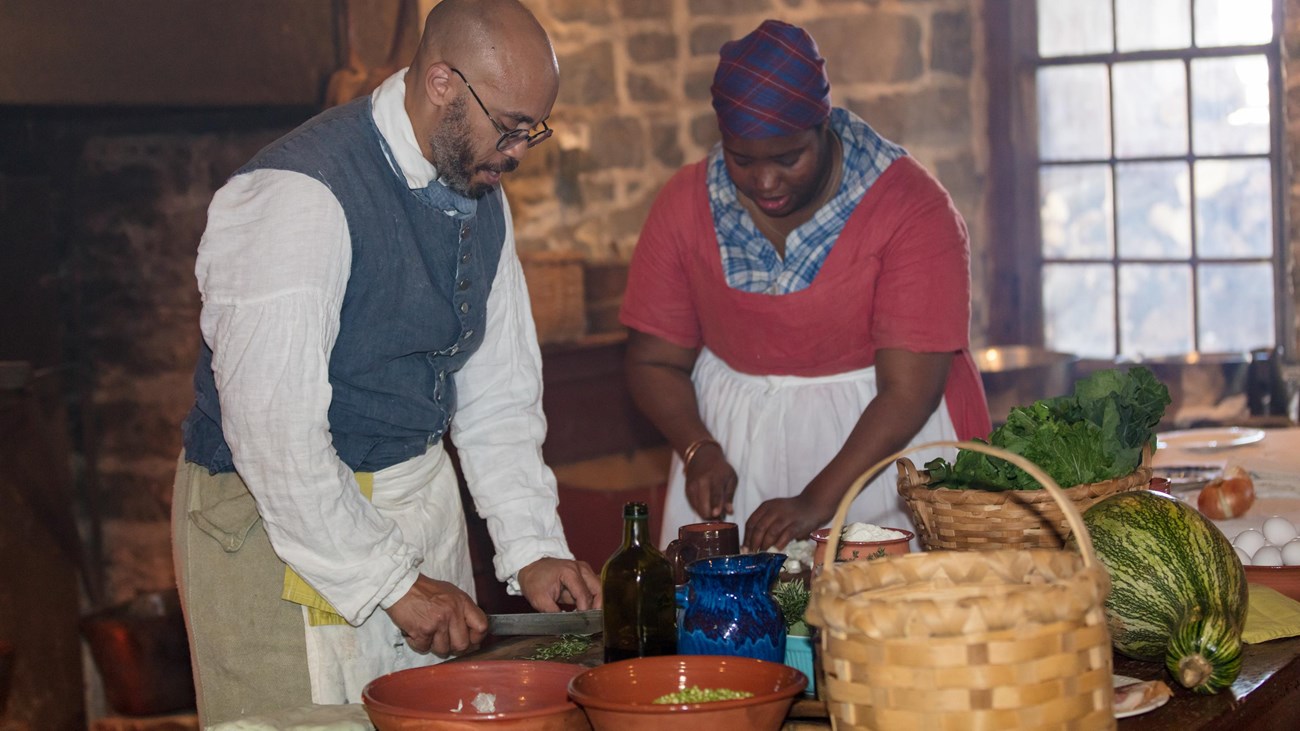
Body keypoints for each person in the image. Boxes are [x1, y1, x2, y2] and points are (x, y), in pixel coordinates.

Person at [171, 0, 600, 723]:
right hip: (278, 529)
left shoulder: (479, 182)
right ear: (441, 83)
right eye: (511, 126)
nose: (521, 150)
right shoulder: (295, 197)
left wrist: (532, 546)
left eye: (534, 128)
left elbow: (498, 395)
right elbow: (275, 437)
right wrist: (391, 581)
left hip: (412, 512)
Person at [619, 19, 992, 555]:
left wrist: (819, 500)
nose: (765, 182)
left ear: (825, 127)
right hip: (735, 457)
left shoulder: (910, 206)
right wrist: (699, 448)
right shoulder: (685, 204)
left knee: (884, 617)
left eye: (788, 158)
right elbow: (654, 361)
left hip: (879, 457)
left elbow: (910, 390)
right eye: (742, 160)